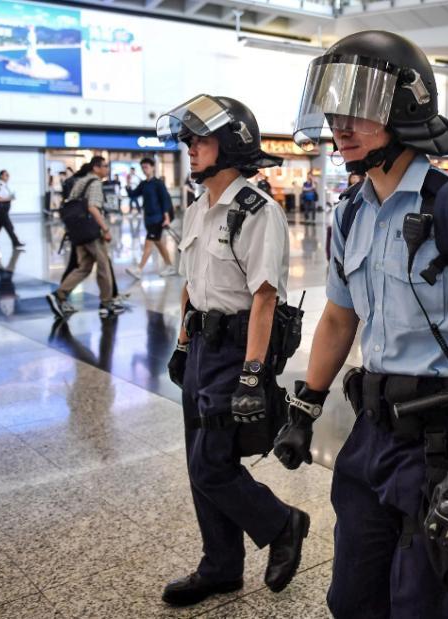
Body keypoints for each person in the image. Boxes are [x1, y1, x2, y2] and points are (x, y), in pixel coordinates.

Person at [274, 30, 448, 619]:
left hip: (440, 438)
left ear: (404, 109)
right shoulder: (351, 214)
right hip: (372, 433)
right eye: (335, 107)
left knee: (415, 606)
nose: (340, 122)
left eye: (358, 106)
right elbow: (338, 317)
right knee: (351, 600)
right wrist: (305, 406)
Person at [156, 94, 310, 607]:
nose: (191, 149)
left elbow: (265, 297)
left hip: (237, 352)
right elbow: (190, 284)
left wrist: (252, 374)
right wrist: (182, 341)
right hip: (201, 346)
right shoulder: (198, 207)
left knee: (211, 464)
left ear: (232, 144)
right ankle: (220, 566)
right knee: (197, 462)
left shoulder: (256, 210)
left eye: (200, 140)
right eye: (189, 140)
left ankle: (283, 522)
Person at [46, 156, 123, 319]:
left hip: (77, 231)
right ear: (96, 168)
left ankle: (59, 294)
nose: (107, 169)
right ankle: (106, 303)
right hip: (91, 231)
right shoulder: (94, 183)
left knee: (84, 267)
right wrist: (106, 228)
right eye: (105, 166)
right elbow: (93, 208)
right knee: (103, 266)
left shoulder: (80, 182)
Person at [126, 157, 176, 279]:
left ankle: (139, 269)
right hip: (148, 219)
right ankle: (170, 266)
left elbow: (165, 201)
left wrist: (166, 218)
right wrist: (128, 183)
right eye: (142, 167)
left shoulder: (158, 183)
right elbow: (133, 194)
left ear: (153, 167)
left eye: (146, 167)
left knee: (148, 243)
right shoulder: (143, 184)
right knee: (158, 243)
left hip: (158, 218)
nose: (144, 169)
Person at [0, 170, 25, 250]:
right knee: (9, 226)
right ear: (1, 176)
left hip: (4, 209)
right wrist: (8, 198)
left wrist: (10, 198)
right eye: (6, 175)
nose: (7, 177)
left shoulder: (4, 185)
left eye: (8, 175)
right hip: (1, 209)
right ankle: (15, 242)